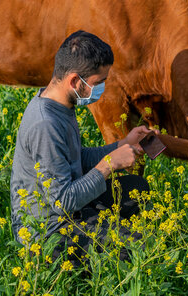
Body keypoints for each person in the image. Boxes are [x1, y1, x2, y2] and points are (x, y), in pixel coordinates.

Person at [10, 30, 153, 266]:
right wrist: (109, 165)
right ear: (76, 81)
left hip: (69, 207)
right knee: (138, 250)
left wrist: (123, 144)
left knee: (136, 189)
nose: (102, 89)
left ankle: (99, 226)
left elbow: (76, 157)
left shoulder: (59, 104)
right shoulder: (45, 124)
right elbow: (62, 202)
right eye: (98, 82)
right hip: (48, 232)